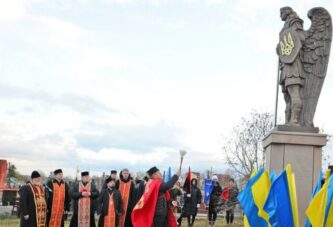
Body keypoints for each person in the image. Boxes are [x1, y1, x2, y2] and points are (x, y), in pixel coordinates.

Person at [277, 6, 305, 126]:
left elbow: (301, 39)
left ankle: (295, 121)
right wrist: (280, 49)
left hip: (294, 65)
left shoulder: (295, 22)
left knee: (294, 93)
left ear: (286, 12)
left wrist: (286, 48)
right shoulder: (286, 26)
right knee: (287, 97)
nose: (280, 16)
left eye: (281, 13)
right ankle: (288, 121)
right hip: (285, 66)